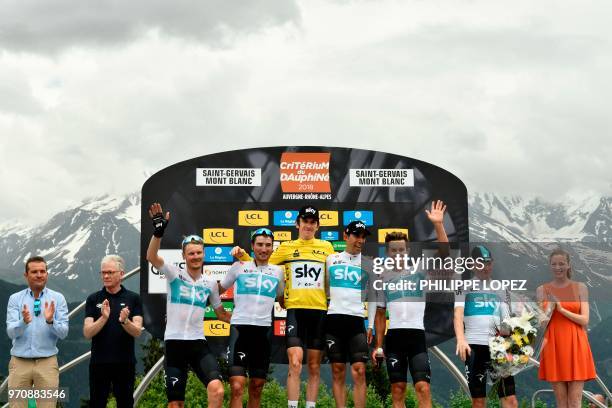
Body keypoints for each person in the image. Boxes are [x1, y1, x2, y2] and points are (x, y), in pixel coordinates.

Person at [232, 205, 334, 408]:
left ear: (317, 226)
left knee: (314, 366)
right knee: (295, 362)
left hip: (320, 311)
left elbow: (332, 278)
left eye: (312, 222)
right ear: (298, 223)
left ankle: (311, 406)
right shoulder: (287, 247)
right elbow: (263, 263)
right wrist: (242, 256)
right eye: (305, 221)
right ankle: (293, 406)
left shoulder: (327, 247)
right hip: (295, 310)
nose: (308, 225)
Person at [146, 202, 232, 408]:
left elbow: (221, 314)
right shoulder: (175, 274)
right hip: (175, 344)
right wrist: (158, 233)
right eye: (191, 253)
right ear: (184, 256)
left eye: (199, 253)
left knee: (217, 390)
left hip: (197, 344)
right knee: (176, 404)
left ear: (204, 255)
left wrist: (247, 320)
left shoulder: (211, 283)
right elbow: (151, 256)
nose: (195, 257)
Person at [372, 200, 448, 408]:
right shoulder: (382, 276)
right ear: (388, 252)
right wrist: (378, 346)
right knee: (398, 390)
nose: (398, 254)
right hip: (394, 337)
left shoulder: (419, 269)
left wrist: (438, 225)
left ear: (407, 250)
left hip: (416, 336)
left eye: (401, 250)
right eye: (393, 250)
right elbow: (380, 313)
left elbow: (444, 254)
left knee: (423, 388)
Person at [219, 228, 284, 408]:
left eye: (268, 245)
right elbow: (217, 291)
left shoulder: (278, 272)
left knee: (256, 387)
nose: (264, 249)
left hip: (263, 333)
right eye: (260, 245)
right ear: (252, 247)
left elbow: (282, 300)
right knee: (237, 386)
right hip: (240, 330)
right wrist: (220, 312)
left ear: (273, 248)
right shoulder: (239, 267)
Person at [454, 246, 518, 408]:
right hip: (474, 347)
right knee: (479, 401)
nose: (485, 267)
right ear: (472, 265)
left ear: (492, 264)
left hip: (498, 348)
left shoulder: (501, 289)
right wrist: (461, 339)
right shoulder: (463, 286)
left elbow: (506, 322)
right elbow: (458, 314)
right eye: (481, 263)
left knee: (510, 400)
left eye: (488, 263)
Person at [325, 221, 377, 408]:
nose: (360, 240)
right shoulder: (331, 259)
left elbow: (372, 297)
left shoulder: (369, 264)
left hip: (356, 322)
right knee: (338, 370)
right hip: (334, 320)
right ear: (346, 236)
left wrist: (370, 325)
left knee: (359, 371)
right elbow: (326, 290)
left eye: (363, 236)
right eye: (357, 235)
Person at [6, 256, 69, 408]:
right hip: (19, 362)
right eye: (34, 272)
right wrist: (23, 322)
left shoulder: (58, 298)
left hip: (47, 363)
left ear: (47, 274)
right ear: (26, 275)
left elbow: (64, 333)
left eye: (43, 271)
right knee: (16, 406)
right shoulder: (15, 299)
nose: (39, 275)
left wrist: (50, 321)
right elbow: (11, 332)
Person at [537, 248, 596, 408]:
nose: (558, 267)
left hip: (576, 344)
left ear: (569, 265)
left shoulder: (581, 288)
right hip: (553, 346)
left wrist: (562, 310)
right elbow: (542, 325)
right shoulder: (542, 290)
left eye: (561, 264)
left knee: (575, 401)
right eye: (554, 264)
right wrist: (549, 308)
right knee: (561, 402)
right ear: (550, 265)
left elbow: (585, 320)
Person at [83, 254, 143, 408]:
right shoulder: (93, 299)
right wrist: (103, 318)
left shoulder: (133, 298)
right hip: (99, 363)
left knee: (125, 404)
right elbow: (87, 333)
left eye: (110, 272)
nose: (106, 276)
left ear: (121, 274)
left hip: (125, 363)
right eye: (103, 272)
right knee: (97, 404)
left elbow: (137, 331)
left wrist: (125, 321)